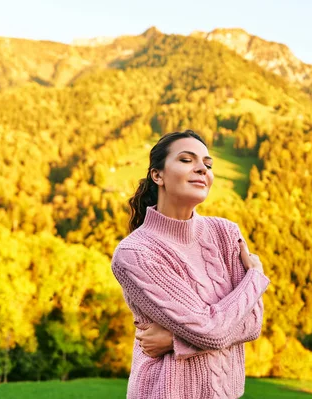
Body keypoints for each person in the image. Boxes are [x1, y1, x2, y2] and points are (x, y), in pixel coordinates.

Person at [111, 130, 270, 399]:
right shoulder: (135, 254)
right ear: (157, 175)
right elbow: (213, 330)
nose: (201, 168)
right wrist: (255, 275)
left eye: (207, 164)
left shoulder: (226, 233)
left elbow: (253, 322)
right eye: (186, 160)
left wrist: (175, 340)